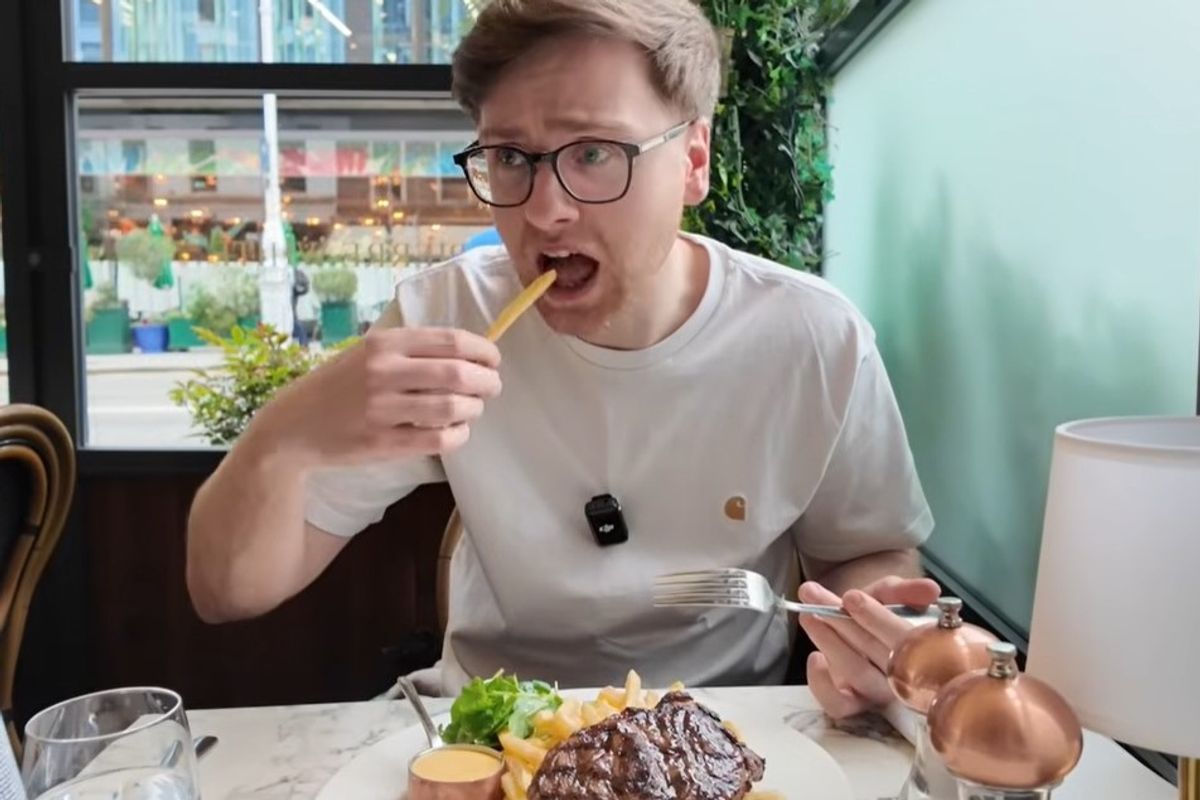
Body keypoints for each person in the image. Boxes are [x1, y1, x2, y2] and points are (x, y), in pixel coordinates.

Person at [184, 0, 940, 718]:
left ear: (694, 162)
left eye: (593, 153)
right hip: (490, 727)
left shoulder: (811, 338)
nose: (545, 210)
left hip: (722, 729)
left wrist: (869, 638)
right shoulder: (448, 319)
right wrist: (285, 436)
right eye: (511, 156)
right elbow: (226, 593)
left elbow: (867, 550)